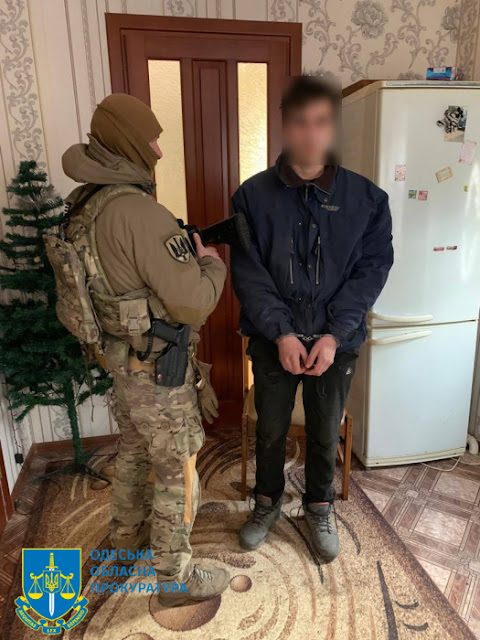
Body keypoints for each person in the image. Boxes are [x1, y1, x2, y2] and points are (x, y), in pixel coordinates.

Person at [62, 93, 229, 605]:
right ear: (129, 141)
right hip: (159, 374)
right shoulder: (138, 211)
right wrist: (211, 263)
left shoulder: (84, 205)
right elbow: (193, 303)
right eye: (152, 138)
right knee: (177, 470)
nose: (158, 149)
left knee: (133, 454)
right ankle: (175, 579)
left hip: (123, 367)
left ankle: (126, 539)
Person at [231, 76, 393, 561]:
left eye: (321, 122)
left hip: (335, 343)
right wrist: (281, 332)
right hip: (271, 339)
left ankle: (319, 507)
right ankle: (266, 504)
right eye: (300, 122)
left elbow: (371, 271)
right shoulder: (251, 197)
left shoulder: (368, 200)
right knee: (270, 429)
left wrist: (333, 334)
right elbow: (249, 272)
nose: (310, 133)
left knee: (325, 432)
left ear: (333, 127)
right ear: (285, 126)